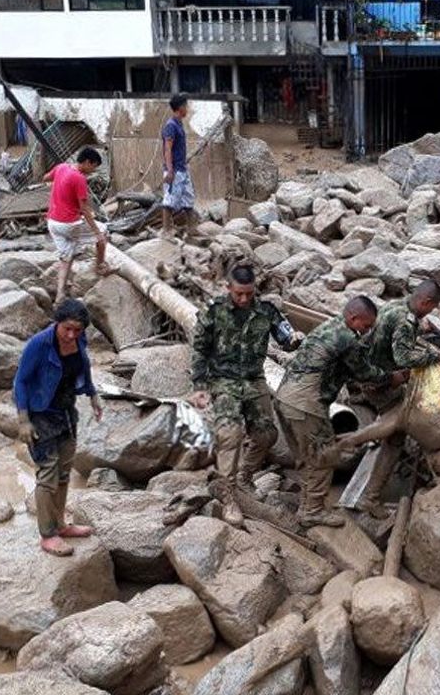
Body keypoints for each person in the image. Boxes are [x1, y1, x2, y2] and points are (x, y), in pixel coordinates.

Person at [275, 295, 396, 529]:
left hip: (284, 397)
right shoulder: (347, 339)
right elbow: (365, 373)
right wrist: (391, 377)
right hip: (305, 404)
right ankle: (312, 511)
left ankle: (306, 503)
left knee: (304, 455)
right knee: (325, 455)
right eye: (366, 325)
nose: (367, 330)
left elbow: (342, 370)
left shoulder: (328, 327)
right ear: (353, 318)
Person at [189, 265, 300, 515]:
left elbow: (285, 337)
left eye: (249, 294)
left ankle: (245, 475)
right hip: (223, 380)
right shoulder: (214, 311)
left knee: (266, 434)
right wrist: (199, 385)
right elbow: (199, 349)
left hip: (253, 379)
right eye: (239, 293)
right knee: (230, 434)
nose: (243, 299)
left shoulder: (267, 311)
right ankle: (228, 496)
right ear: (228, 288)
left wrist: (294, 340)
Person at [354, 279, 440, 515]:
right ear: (425, 302)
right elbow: (403, 358)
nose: (429, 314)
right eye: (431, 309)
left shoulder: (396, 307)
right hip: (380, 384)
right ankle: (370, 497)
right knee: (397, 435)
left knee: (395, 428)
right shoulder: (405, 320)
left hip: (371, 375)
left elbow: (400, 340)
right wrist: (437, 356)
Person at [13, 298, 103, 556]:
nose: (71, 335)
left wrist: (92, 394)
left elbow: (83, 366)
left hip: (65, 411)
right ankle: (47, 535)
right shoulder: (39, 345)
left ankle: (61, 525)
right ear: (56, 324)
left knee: (64, 472)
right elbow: (20, 381)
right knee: (48, 474)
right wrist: (23, 420)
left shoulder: (78, 340)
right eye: (67, 329)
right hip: (39, 414)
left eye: (77, 330)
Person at [47, 146, 109, 302]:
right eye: (93, 167)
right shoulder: (79, 178)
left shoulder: (61, 167)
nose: (93, 171)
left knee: (66, 257)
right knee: (104, 231)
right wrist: (97, 233)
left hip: (53, 222)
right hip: (68, 224)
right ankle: (101, 266)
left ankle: (60, 294)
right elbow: (85, 209)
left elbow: (45, 177)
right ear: (88, 162)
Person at [161, 94, 195, 239]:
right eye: (186, 106)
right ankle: (166, 230)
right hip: (174, 170)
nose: (187, 109)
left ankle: (192, 228)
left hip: (182, 168)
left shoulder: (179, 124)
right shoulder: (171, 125)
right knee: (169, 200)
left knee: (189, 198)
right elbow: (167, 148)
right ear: (180, 107)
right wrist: (169, 170)